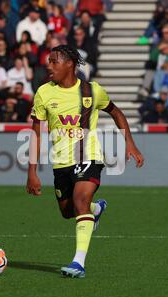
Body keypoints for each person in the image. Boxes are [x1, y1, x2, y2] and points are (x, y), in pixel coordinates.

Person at [26, 45, 144, 278]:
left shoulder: (92, 91)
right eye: (48, 61)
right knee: (68, 211)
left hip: (88, 156)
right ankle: (96, 209)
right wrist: (32, 171)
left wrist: (129, 142)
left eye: (54, 61)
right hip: (61, 162)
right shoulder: (43, 93)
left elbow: (116, 112)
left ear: (69, 63)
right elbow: (36, 133)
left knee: (80, 202)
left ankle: (78, 263)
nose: (49, 66)